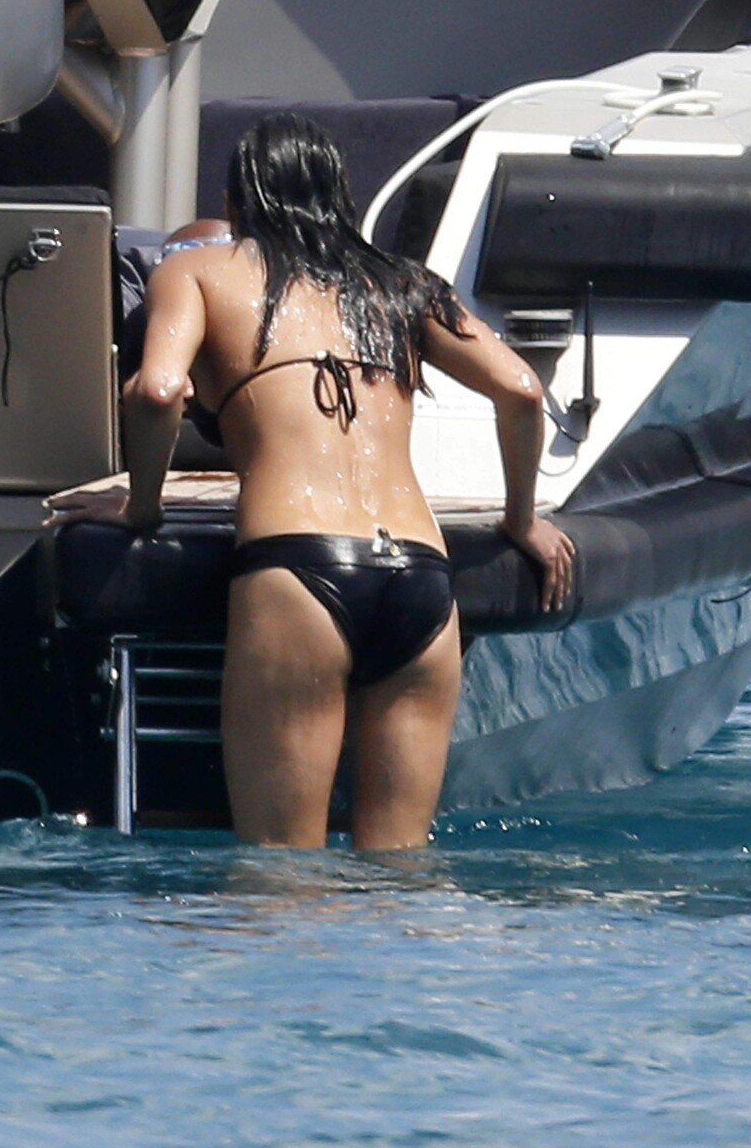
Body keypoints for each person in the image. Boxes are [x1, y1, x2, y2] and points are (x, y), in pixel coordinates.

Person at [48, 114, 573, 849]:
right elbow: (520, 389)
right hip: (422, 579)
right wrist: (520, 521)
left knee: (281, 876)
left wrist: (142, 506)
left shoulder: (198, 271)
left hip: (297, 566)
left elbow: (158, 391)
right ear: (340, 196)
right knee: (401, 875)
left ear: (235, 203)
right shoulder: (403, 285)